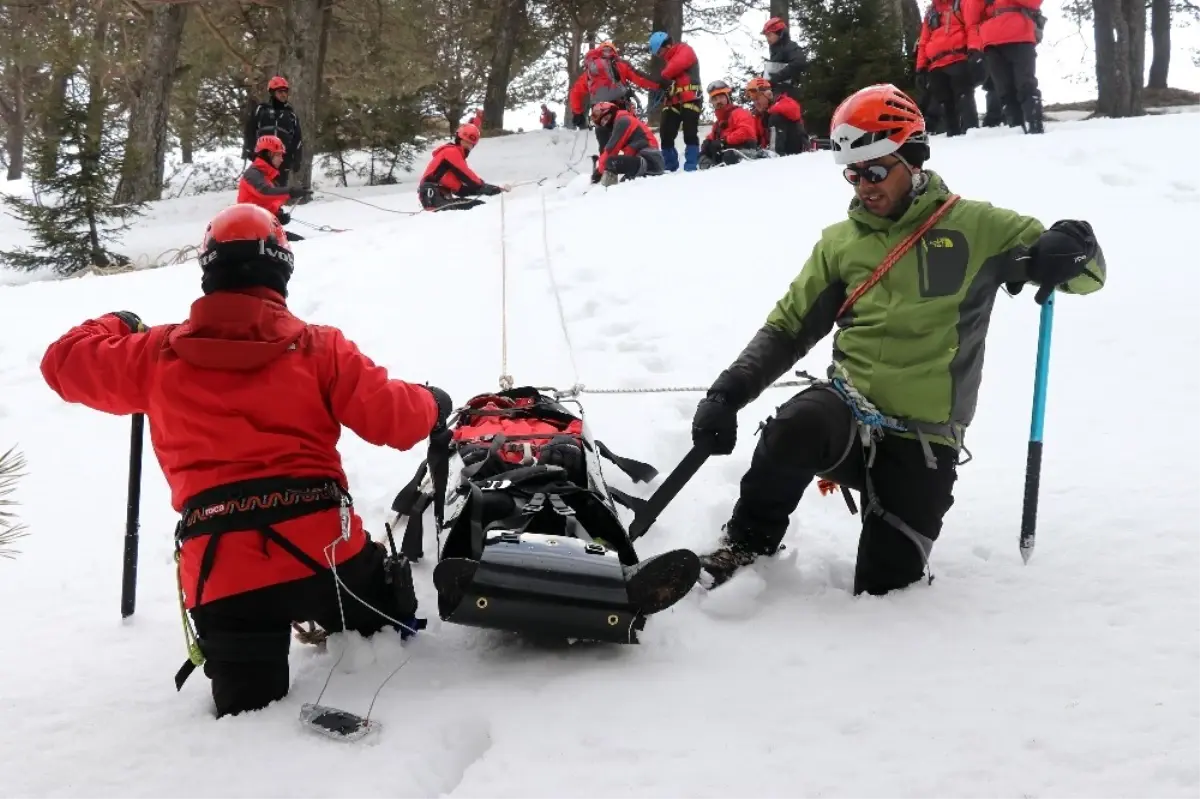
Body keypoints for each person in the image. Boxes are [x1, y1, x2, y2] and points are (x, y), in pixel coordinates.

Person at [40, 203, 454, 719]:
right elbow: (399, 420)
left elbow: (61, 363)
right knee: (396, 633)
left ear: (209, 273)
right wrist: (432, 401)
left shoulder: (153, 353)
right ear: (281, 270)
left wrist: (118, 321)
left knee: (247, 719)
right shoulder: (320, 348)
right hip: (327, 555)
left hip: (223, 575)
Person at [689, 83, 1105, 595]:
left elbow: (1089, 278)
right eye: (853, 173)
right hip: (847, 412)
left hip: (924, 441)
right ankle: (747, 544)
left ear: (913, 157)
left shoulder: (979, 227)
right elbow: (789, 326)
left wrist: (1076, 245)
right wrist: (727, 392)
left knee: (888, 589)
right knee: (795, 424)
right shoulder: (840, 244)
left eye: (876, 170)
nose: (864, 185)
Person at [964, 0, 1045, 133]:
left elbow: (1034, 3)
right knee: (1005, 89)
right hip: (992, 43)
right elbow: (972, 21)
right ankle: (1016, 127)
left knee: (1026, 84)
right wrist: (974, 47)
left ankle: (1035, 124)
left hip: (1020, 36)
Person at [567, 42, 657, 149]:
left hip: (599, 112)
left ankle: (605, 164)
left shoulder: (590, 71)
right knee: (629, 141)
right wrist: (660, 85)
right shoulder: (619, 64)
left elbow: (575, 92)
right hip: (620, 108)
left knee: (605, 145)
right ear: (614, 52)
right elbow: (640, 79)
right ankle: (629, 162)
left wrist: (577, 113)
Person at [915, 0, 982, 136]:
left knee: (964, 96)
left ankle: (971, 131)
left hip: (958, 57)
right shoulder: (930, 13)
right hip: (936, 63)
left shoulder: (961, 4)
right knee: (945, 101)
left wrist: (974, 48)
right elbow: (923, 41)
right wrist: (921, 67)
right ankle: (952, 133)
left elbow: (972, 26)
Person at [417, 123, 510, 212]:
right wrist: (484, 187)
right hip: (432, 197)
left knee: (477, 204)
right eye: (466, 141)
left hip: (435, 198)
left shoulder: (451, 161)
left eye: (471, 144)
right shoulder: (451, 152)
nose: (468, 146)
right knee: (477, 207)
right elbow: (468, 177)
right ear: (459, 139)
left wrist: (491, 189)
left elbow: (460, 189)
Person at [236, 135, 312, 241]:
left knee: (300, 240)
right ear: (268, 154)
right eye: (279, 155)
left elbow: (264, 205)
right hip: (250, 231)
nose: (281, 159)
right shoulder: (253, 174)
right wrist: (291, 192)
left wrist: (278, 216)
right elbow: (265, 192)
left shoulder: (267, 176)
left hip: (261, 228)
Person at [647, 31, 703, 172]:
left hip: (691, 97)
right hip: (673, 101)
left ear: (667, 45)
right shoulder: (668, 63)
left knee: (690, 132)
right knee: (666, 132)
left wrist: (663, 78)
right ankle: (669, 165)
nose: (660, 56)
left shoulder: (685, 50)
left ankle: (691, 165)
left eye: (659, 52)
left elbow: (677, 65)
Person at [242, 76, 302, 186]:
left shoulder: (291, 115)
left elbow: (297, 139)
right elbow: (249, 131)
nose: (284, 95)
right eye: (280, 92)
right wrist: (249, 150)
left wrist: (296, 158)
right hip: (262, 158)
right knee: (261, 189)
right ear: (272, 92)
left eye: (285, 92)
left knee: (278, 192)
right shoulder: (261, 110)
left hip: (282, 160)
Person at [589, 101, 664, 186]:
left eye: (606, 118)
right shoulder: (624, 120)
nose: (606, 122)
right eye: (603, 122)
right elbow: (630, 152)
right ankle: (605, 192)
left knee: (611, 162)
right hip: (645, 162)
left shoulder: (623, 121)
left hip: (650, 161)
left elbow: (611, 150)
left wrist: (599, 171)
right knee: (623, 186)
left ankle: (605, 193)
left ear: (612, 111)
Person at [698, 80, 766, 170]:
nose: (718, 101)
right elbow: (712, 137)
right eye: (715, 99)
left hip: (745, 152)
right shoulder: (717, 124)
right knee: (703, 157)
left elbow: (746, 131)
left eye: (721, 97)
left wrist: (724, 141)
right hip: (727, 154)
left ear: (728, 98)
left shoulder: (740, 113)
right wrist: (707, 143)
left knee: (729, 156)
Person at [745, 77, 807, 156]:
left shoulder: (784, 101)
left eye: (757, 99)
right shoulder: (759, 116)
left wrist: (770, 111)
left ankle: (774, 154)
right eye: (753, 100)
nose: (755, 103)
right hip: (774, 149)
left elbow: (795, 111)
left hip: (796, 149)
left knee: (775, 117)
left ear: (768, 94)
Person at [760, 17, 808, 106]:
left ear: (779, 33)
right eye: (766, 36)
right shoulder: (775, 52)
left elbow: (799, 62)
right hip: (775, 96)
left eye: (769, 35)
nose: (767, 39)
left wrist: (778, 76)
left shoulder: (790, 46)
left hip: (787, 95)